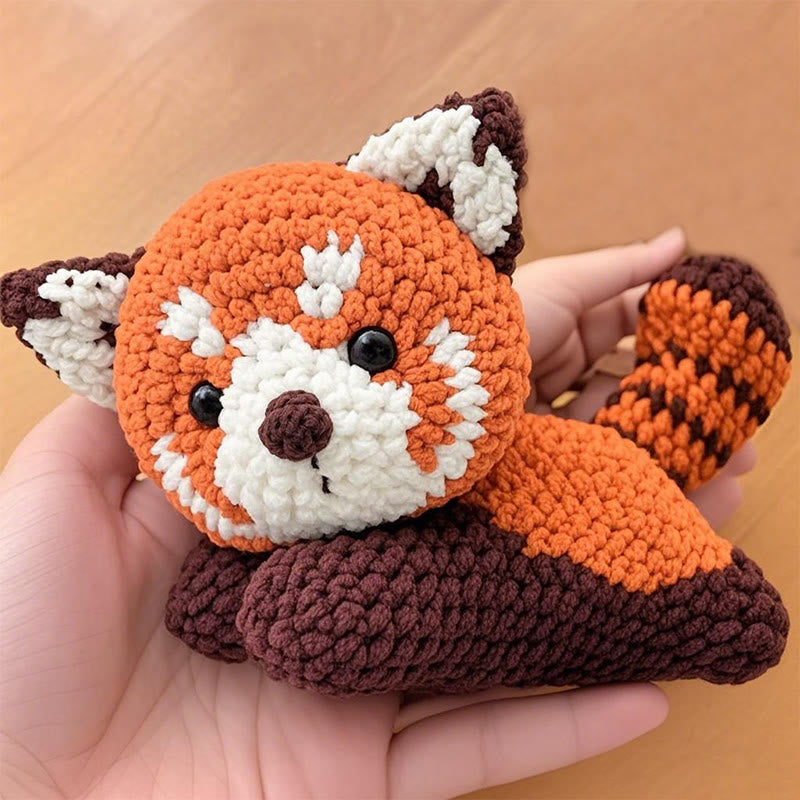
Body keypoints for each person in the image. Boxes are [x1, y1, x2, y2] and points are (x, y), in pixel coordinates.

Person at [0, 227, 756, 799]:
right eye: (209, 402)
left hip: (586, 518)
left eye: (367, 349)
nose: (291, 423)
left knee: (317, 612)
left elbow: (320, 612)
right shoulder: (245, 546)